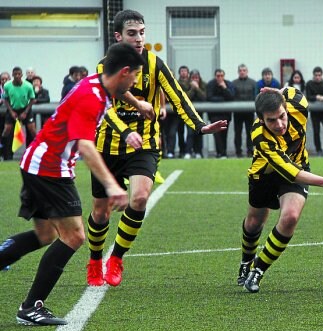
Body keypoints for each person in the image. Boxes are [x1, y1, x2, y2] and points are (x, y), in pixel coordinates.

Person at [0, 42, 140, 326]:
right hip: (50, 168)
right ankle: (31, 307)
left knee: (45, 235)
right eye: (135, 75)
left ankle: (25, 295)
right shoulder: (93, 98)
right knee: (74, 235)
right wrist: (112, 186)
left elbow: (118, 93)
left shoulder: (95, 84)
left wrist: (139, 104)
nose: (136, 81)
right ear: (124, 72)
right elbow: (86, 145)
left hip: (37, 162)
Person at [85, 9, 228, 288]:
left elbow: (178, 95)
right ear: (118, 36)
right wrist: (126, 131)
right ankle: (94, 260)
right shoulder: (105, 66)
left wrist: (199, 126)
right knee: (101, 213)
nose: (139, 39)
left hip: (145, 144)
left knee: (139, 198)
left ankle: (116, 258)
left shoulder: (155, 63)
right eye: (132, 33)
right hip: (108, 146)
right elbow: (107, 106)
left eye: (142, 32)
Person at [237, 87, 323, 293]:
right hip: (264, 176)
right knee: (254, 223)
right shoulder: (259, 135)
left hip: (298, 167)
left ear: (286, 108)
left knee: (290, 217)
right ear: (262, 120)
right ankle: (246, 262)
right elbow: (290, 172)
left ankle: (258, 270)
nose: (279, 124)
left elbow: (292, 90)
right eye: (271, 120)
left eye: (282, 116)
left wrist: (277, 90)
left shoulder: (298, 105)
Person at [1, 66, 37, 159]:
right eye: (15, 74)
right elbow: (5, 99)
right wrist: (11, 111)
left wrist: (25, 112)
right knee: (6, 130)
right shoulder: (7, 85)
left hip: (25, 108)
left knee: (32, 130)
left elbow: (32, 99)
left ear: (21, 75)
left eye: (19, 74)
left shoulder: (28, 86)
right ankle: (5, 152)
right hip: (13, 108)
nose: (17, 76)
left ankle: (35, 152)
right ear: (12, 75)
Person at [206, 68, 234, 158]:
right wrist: (222, 100)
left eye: (221, 76)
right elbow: (209, 97)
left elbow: (231, 97)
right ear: (215, 76)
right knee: (216, 134)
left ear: (224, 76)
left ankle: (223, 153)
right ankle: (220, 153)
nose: (220, 78)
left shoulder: (228, 84)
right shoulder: (210, 84)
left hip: (225, 114)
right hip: (214, 114)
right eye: (218, 76)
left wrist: (224, 88)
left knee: (224, 134)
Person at [305, 66, 323, 157]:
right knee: (316, 131)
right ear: (313, 75)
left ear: (322, 75)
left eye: (319, 75)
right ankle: (319, 150)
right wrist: (316, 97)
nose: (317, 77)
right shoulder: (309, 84)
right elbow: (308, 96)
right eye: (316, 75)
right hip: (315, 112)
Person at [232, 64, 257, 157]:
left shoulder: (253, 83)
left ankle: (250, 151)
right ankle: (238, 151)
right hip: (237, 112)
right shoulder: (233, 83)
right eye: (240, 70)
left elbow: (256, 96)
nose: (242, 72)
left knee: (250, 132)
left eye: (244, 70)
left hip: (249, 112)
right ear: (238, 72)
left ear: (247, 71)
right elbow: (232, 96)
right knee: (237, 132)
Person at [183, 69, 207, 159]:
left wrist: (198, 89)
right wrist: (193, 89)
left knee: (199, 133)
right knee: (190, 133)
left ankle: (198, 152)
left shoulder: (203, 84)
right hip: (189, 113)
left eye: (197, 78)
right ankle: (188, 152)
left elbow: (204, 97)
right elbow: (185, 98)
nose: (195, 80)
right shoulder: (185, 85)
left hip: (200, 113)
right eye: (193, 78)